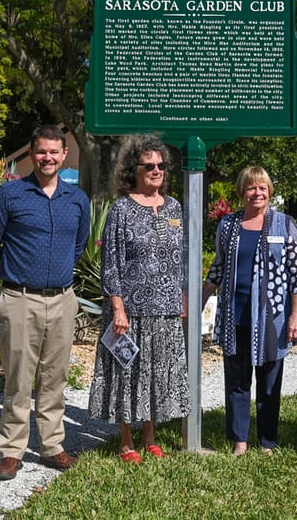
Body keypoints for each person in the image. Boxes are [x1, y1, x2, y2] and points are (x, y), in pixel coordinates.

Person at [0, 124, 90, 481]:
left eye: (54, 152)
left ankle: (52, 447)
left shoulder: (77, 200)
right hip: (19, 299)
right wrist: (14, 274)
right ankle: (11, 451)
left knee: (54, 378)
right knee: (18, 379)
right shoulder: (9, 195)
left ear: (64, 156)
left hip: (62, 300)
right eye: (41, 152)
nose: (48, 158)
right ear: (31, 154)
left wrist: (55, 275)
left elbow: (79, 246)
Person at [88, 135, 190, 463]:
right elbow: (111, 262)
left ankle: (150, 436)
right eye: (149, 166)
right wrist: (117, 308)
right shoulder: (121, 209)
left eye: (161, 165)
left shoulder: (175, 208)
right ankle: (126, 440)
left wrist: (184, 298)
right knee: (126, 372)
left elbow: (184, 257)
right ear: (134, 170)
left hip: (165, 310)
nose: (156, 170)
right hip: (130, 311)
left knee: (156, 374)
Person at [202, 166, 297, 456]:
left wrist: (296, 314)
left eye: (262, 187)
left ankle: (268, 442)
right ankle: (239, 440)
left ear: (269, 191)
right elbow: (219, 267)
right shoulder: (228, 226)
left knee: (269, 382)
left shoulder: (285, 225)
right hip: (236, 315)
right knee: (237, 381)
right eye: (251, 188)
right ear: (241, 192)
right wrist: (200, 298)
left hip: (273, 319)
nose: (257, 193)